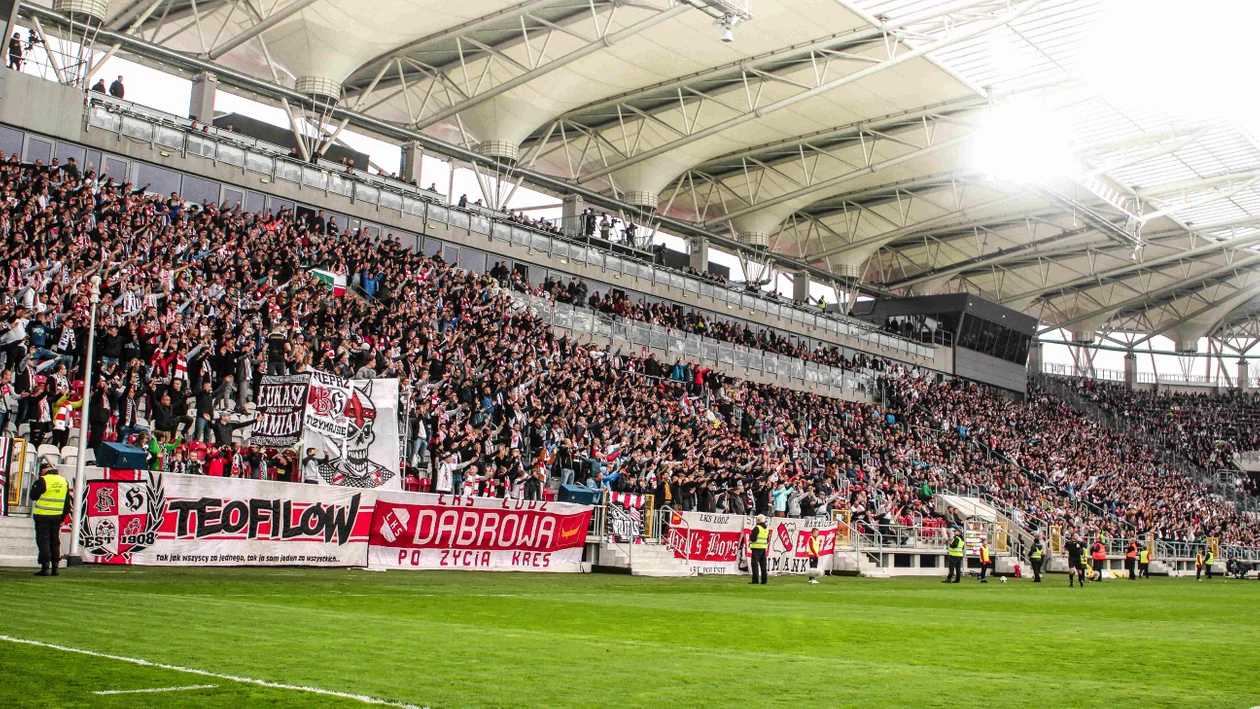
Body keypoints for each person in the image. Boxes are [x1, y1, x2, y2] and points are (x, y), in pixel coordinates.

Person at [29, 463, 70, 576]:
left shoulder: (43, 480)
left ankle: (45, 566)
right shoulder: (63, 481)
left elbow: (33, 496)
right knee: (54, 541)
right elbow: (67, 503)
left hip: (42, 515)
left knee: (43, 541)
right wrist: (63, 518)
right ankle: (55, 566)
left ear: (43, 471)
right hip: (57, 516)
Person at [748, 514, 769, 585]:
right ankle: (764, 580)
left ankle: (755, 580)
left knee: (754, 564)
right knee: (763, 565)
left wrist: (750, 541)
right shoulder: (766, 529)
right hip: (763, 548)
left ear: (758, 520)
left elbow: (753, 538)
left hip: (756, 547)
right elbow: (767, 539)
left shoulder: (757, 528)